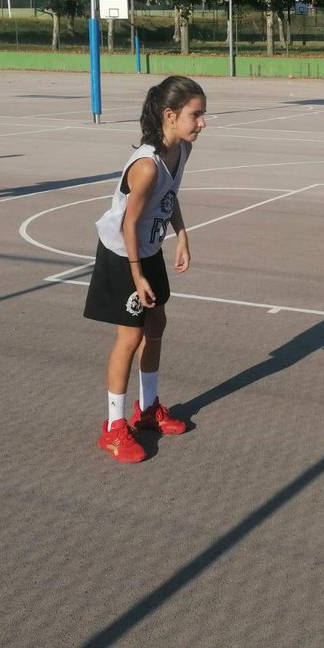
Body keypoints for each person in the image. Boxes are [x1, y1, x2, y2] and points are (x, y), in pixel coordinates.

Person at [85, 75, 207, 463]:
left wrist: (182, 233)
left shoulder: (181, 150)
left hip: (148, 249)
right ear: (170, 115)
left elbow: (170, 198)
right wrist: (137, 275)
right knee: (130, 337)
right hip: (124, 254)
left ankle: (149, 409)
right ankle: (114, 427)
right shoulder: (146, 166)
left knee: (156, 327)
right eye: (196, 115)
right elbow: (127, 225)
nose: (202, 122)